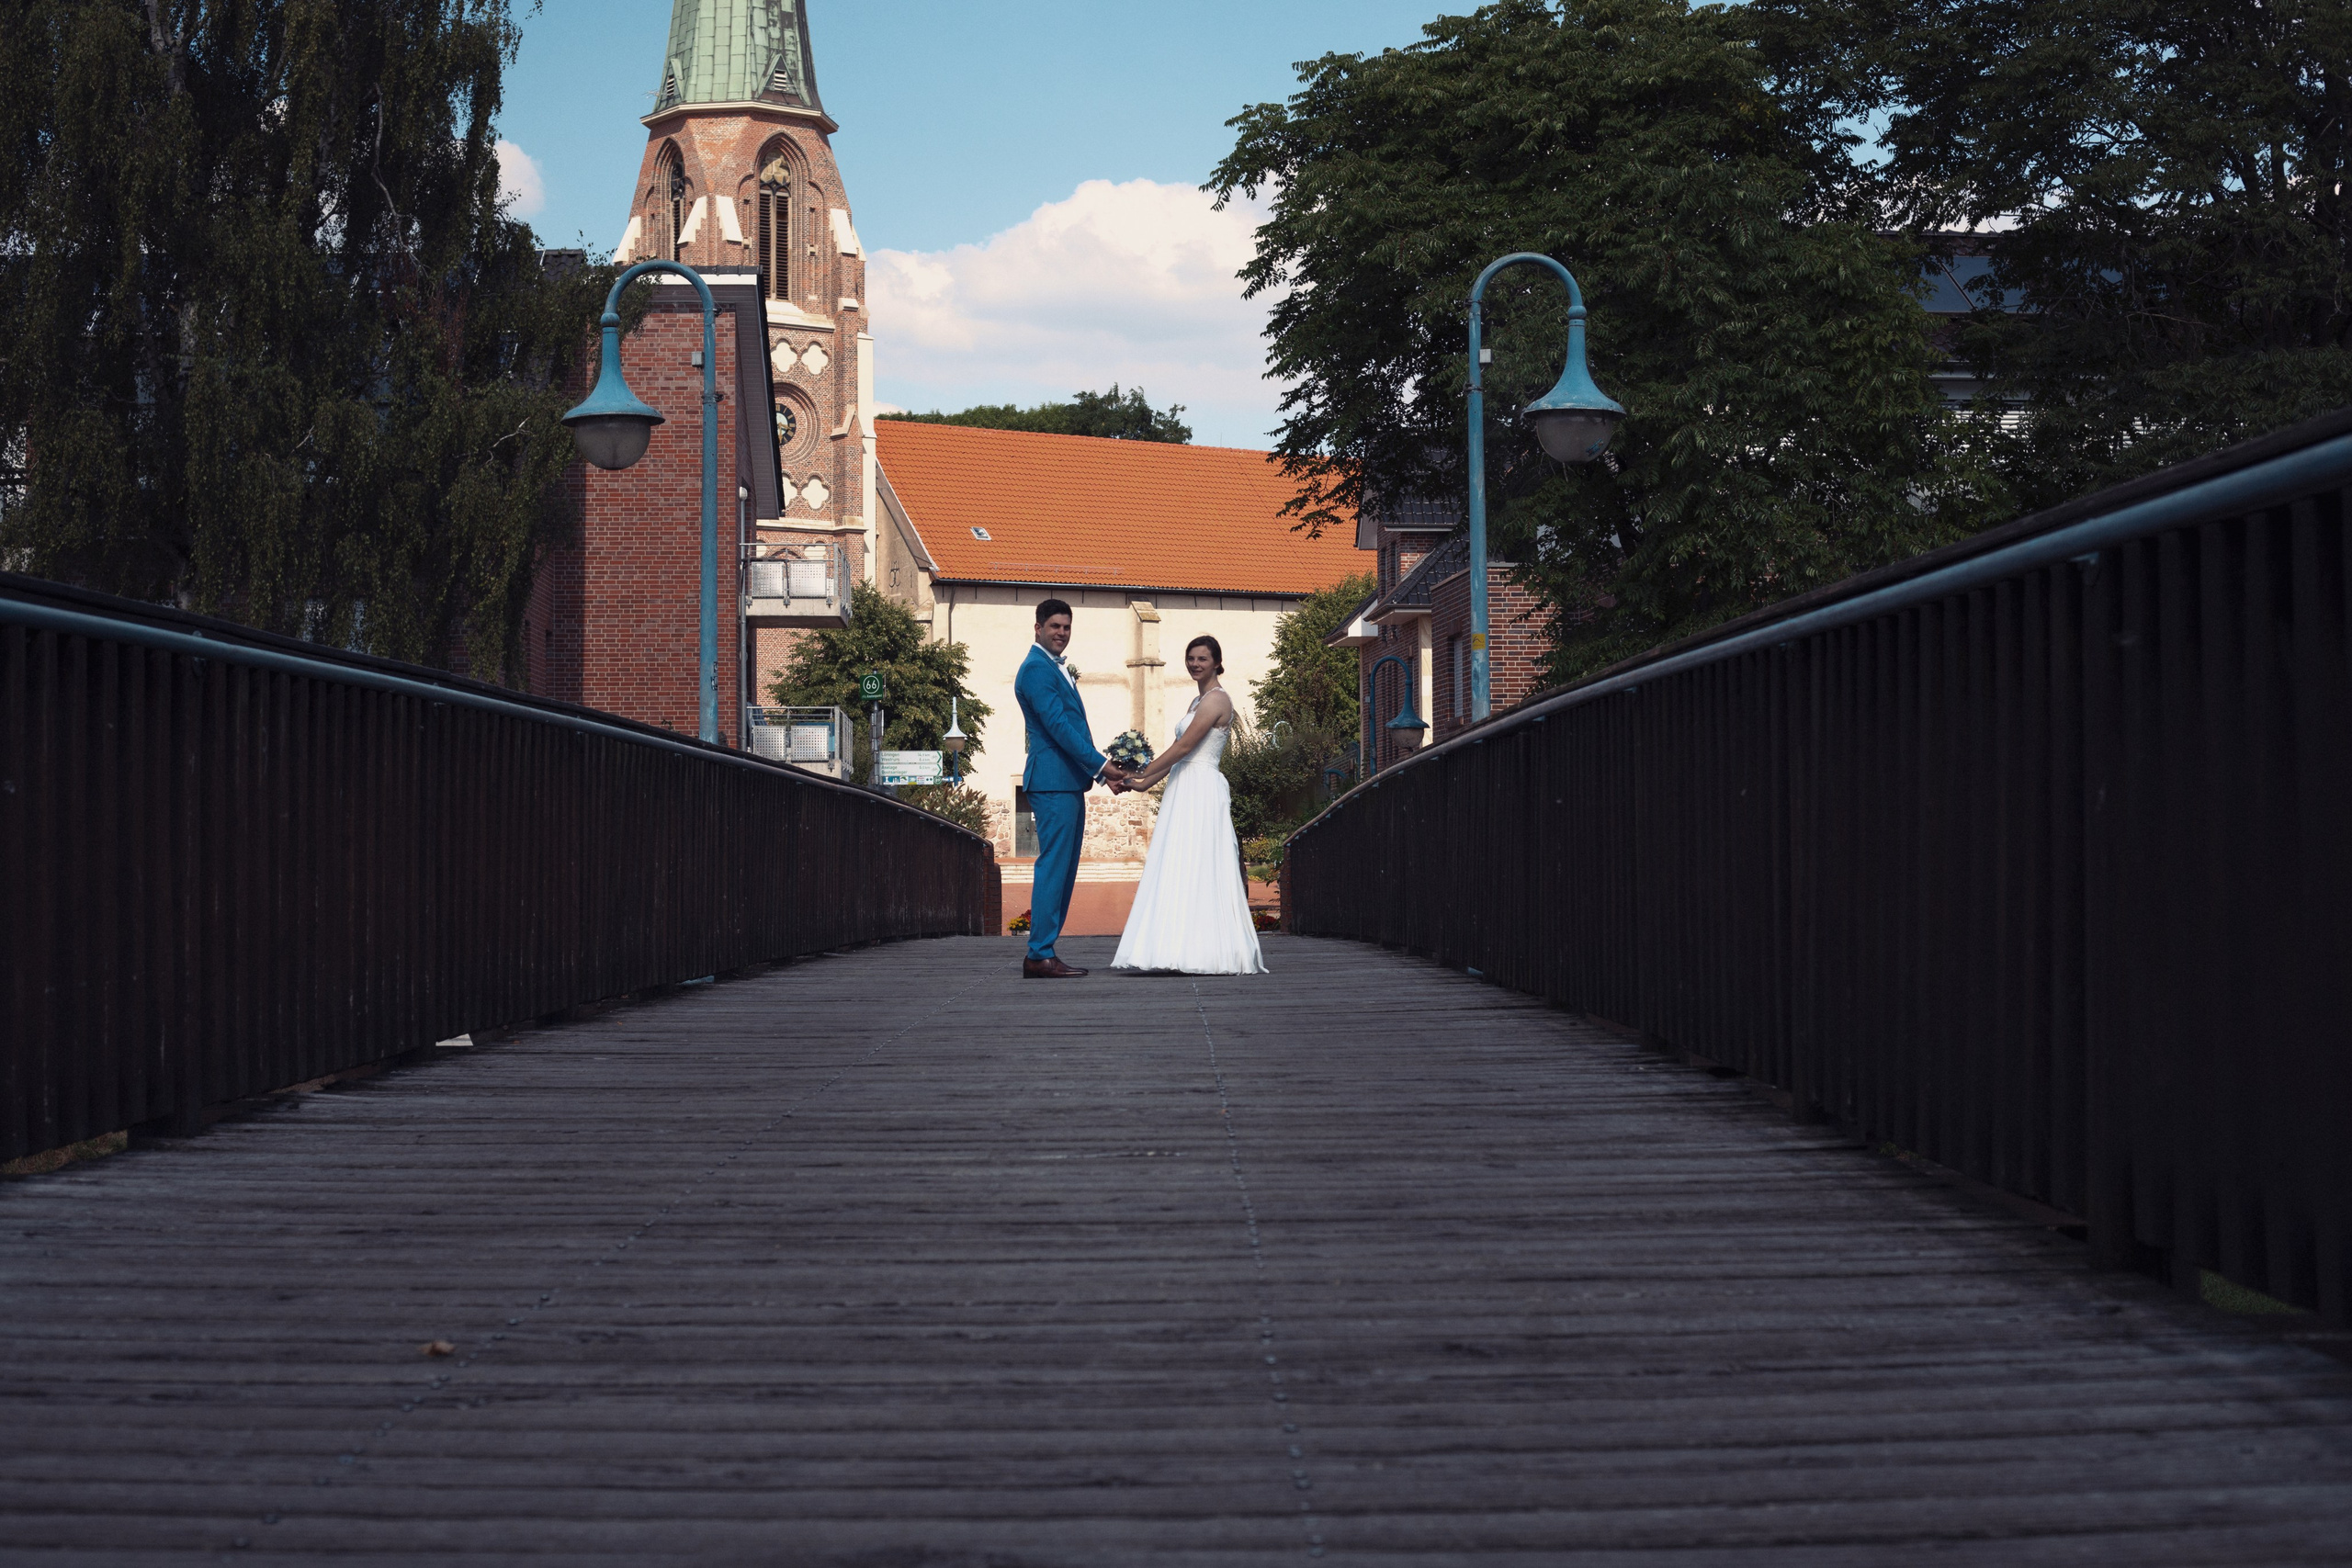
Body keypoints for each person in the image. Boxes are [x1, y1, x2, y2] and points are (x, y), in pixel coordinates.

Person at [1108, 635, 1268, 975]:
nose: (1195, 664)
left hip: (1201, 787)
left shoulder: (1217, 701)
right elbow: (1180, 754)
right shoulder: (1195, 704)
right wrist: (1143, 784)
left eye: (1202, 659)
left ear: (1216, 663)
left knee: (1200, 861)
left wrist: (1139, 769)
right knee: (1179, 860)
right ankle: (1175, 947)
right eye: (1191, 658)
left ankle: (1203, 950)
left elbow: (1184, 750)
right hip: (1183, 785)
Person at [1014, 598, 1131, 977]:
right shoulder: (1035, 670)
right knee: (1054, 867)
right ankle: (1039, 953)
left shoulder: (1052, 667)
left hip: (1065, 780)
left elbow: (1069, 729)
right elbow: (1059, 729)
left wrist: (1102, 775)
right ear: (1038, 628)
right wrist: (1102, 764)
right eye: (1054, 627)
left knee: (1063, 869)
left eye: (1066, 627)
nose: (1061, 633)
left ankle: (1044, 950)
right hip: (1052, 781)